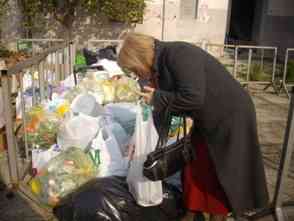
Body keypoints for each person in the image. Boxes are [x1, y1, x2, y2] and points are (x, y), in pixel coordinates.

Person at [117, 33, 269, 221]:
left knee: (219, 169)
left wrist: (157, 97)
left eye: (135, 69)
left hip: (229, 115)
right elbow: (169, 105)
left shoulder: (178, 54)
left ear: (140, 58)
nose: (138, 74)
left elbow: (193, 98)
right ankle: (193, 211)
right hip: (206, 116)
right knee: (193, 163)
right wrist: (137, 139)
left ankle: (217, 215)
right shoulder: (160, 63)